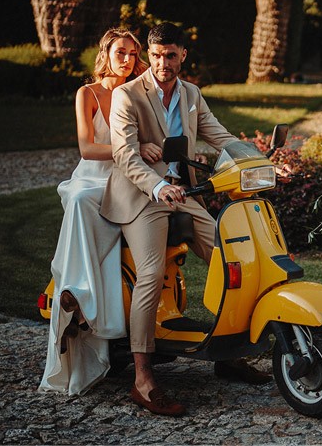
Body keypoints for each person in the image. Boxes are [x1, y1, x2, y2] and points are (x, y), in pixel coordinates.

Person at [100, 22, 270, 417]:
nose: (163, 63)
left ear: (183, 55)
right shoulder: (127, 95)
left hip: (185, 193)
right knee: (151, 272)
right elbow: (124, 155)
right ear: (150, 54)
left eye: (171, 56)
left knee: (232, 258)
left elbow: (220, 136)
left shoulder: (192, 93)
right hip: (143, 196)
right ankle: (143, 379)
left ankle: (229, 352)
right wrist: (158, 188)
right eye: (156, 56)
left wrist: (257, 160)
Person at [40, 28, 150, 395]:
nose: (128, 59)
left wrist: (139, 153)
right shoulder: (86, 94)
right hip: (92, 176)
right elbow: (87, 148)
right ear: (106, 53)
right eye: (121, 52)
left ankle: (78, 298)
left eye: (133, 54)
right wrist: (131, 149)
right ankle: (79, 297)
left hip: (125, 179)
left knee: (104, 207)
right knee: (79, 200)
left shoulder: (137, 93)